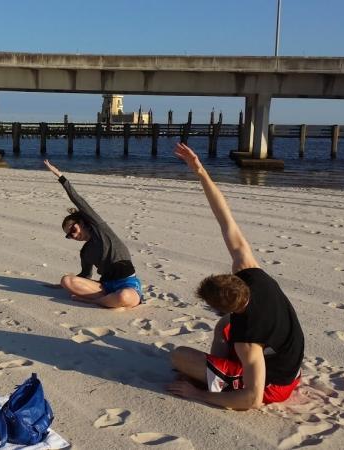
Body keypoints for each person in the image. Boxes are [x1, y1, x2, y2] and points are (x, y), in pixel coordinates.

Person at [166, 142, 304, 409]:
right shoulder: (253, 274)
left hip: (277, 385)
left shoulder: (247, 339)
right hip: (288, 359)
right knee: (222, 328)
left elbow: (252, 399)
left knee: (179, 358)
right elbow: (225, 218)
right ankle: (214, 371)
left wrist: (199, 395)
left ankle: (211, 381)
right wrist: (199, 171)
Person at [43, 160, 142, 309]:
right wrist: (62, 285)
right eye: (69, 235)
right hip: (104, 287)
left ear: (82, 223)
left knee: (123, 296)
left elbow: (79, 202)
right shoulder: (85, 252)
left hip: (127, 283)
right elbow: (85, 275)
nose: (73, 236)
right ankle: (107, 299)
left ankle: (95, 301)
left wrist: (61, 177)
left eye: (73, 230)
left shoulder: (100, 229)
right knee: (66, 281)